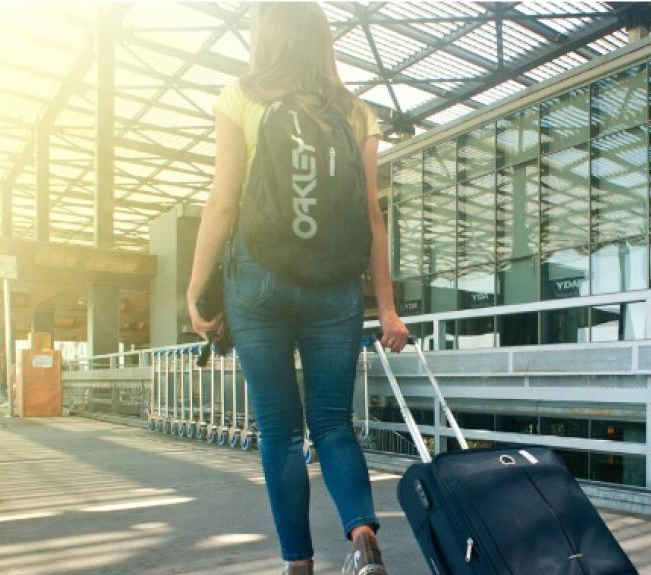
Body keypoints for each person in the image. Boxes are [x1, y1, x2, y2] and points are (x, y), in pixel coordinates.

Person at [187, 4, 409, 574]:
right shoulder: (356, 110)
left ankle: (298, 565)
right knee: (333, 422)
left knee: (280, 431)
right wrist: (386, 308)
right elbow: (371, 217)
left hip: (258, 282)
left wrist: (194, 289)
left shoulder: (242, 95)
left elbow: (222, 201)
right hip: (335, 287)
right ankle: (362, 538)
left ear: (267, 36)